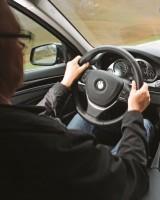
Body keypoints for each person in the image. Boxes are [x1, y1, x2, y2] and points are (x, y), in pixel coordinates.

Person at [0, 1, 150, 199]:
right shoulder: (45, 145)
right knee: (145, 125)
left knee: (86, 119)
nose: (22, 50)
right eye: (20, 39)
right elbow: (131, 179)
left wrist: (65, 83)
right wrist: (134, 113)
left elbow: (34, 120)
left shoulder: (19, 128)